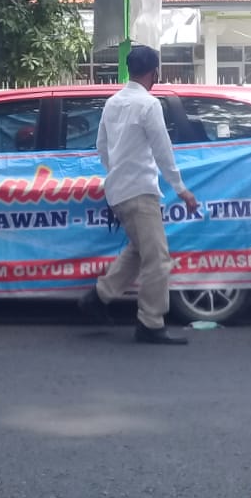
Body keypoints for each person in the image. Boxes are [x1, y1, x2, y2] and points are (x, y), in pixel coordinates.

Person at [77, 45, 200, 345]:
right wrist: (181, 189)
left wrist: (116, 171)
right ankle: (150, 322)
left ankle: (99, 296)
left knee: (139, 249)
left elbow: (101, 145)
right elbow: (162, 150)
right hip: (140, 191)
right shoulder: (148, 104)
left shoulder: (113, 103)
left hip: (119, 191)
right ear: (154, 72)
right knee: (158, 259)